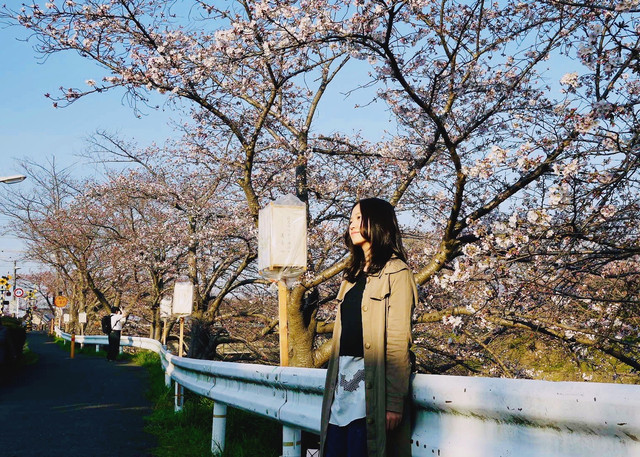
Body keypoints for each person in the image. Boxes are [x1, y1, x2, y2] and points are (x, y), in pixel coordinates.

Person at [320, 198, 418, 457]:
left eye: (359, 218)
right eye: (351, 219)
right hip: (342, 384)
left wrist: (394, 402)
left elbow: (397, 340)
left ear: (376, 223)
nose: (352, 225)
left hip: (371, 387)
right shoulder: (351, 276)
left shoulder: (397, 272)